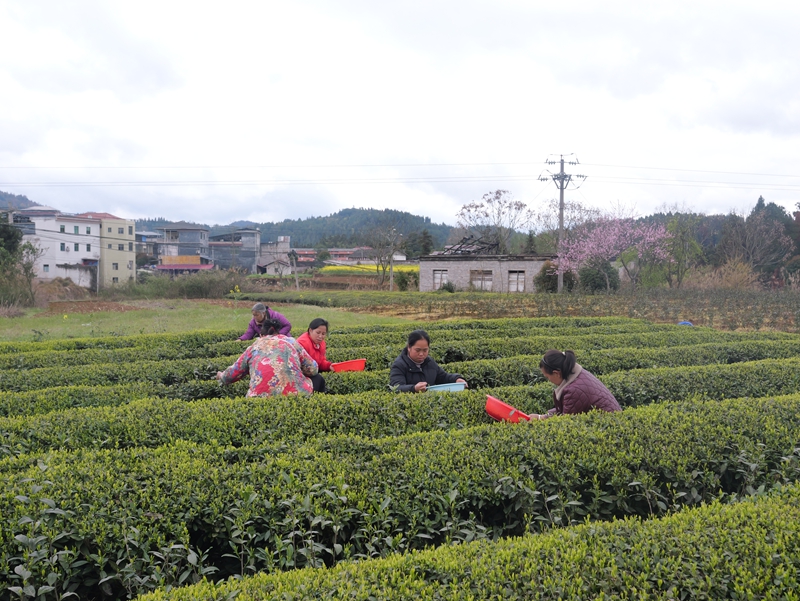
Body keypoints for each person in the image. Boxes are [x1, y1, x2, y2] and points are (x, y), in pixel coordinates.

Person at [218, 318, 317, 396]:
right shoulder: (291, 342)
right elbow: (313, 369)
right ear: (279, 332)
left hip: (258, 398)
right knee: (318, 379)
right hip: (295, 395)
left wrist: (221, 376)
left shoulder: (253, 347)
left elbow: (232, 374)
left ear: (261, 335)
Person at [532, 349, 621, 420]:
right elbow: (567, 408)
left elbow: (565, 422)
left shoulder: (574, 390)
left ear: (556, 373)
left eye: (547, 377)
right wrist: (541, 417)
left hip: (611, 425)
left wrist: (540, 419)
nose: (549, 380)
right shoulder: (577, 374)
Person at [389, 329, 468, 392]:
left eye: (425, 350)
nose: (421, 354)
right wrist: (414, 388)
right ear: (409, 347)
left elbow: (442, 377)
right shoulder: (399, 365)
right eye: (417, 350)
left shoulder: (429, 362)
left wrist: (456, 379)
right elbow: (396, 388)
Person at [296, 318, 332, 393]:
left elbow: (321, 361)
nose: (320, 336)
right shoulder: (302, 343)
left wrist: (329, 366)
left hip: (313, 371)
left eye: (323, 334)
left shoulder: (322, 343)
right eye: (318, 333)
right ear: (310, 330)